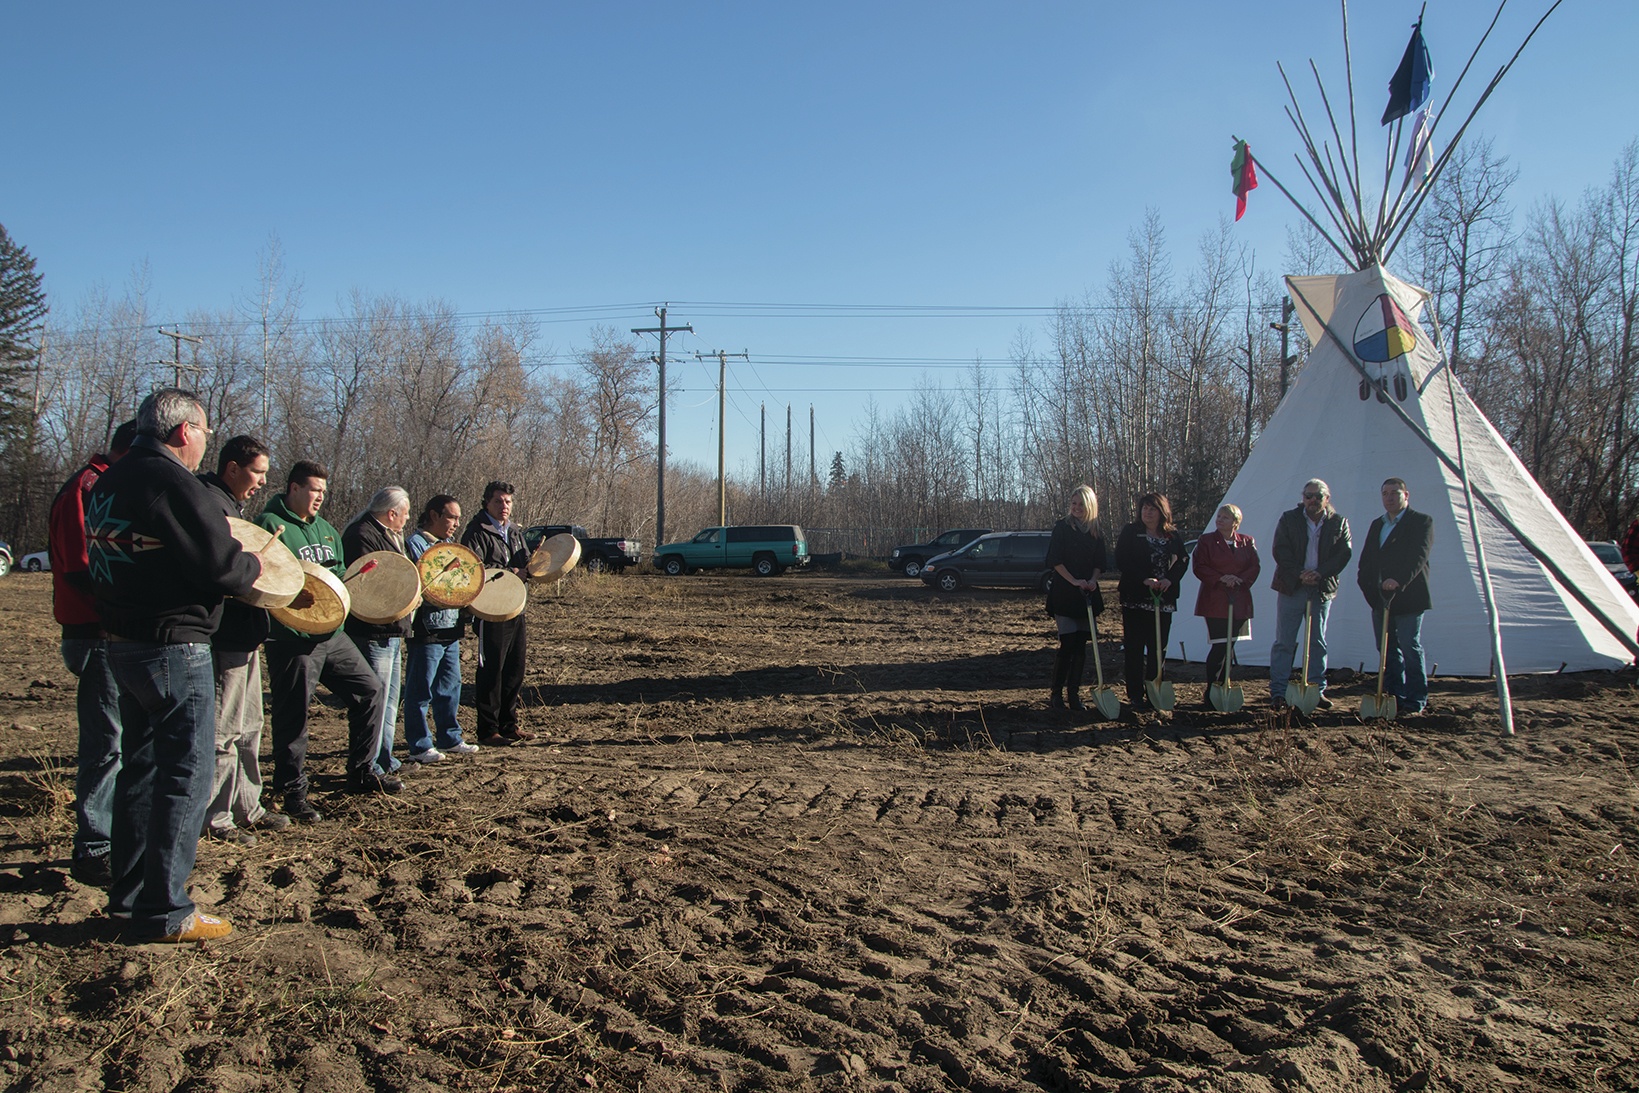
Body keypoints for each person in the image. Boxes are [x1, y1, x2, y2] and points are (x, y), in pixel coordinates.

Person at [87, 388, 261, 942]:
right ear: (184, 430)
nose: (205, 442)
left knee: (140, 768)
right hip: (172, 645)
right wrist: (256, 562)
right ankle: (166, 909)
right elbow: (219, 564)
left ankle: (130, 894)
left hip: (123, 642)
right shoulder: (170, 482)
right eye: (206, 432)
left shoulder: (111, 478)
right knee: (186, 773)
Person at [258, 461, 390, 809]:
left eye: (323, 492)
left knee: (370, 690)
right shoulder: (271, 525)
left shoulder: (327, 530)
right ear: (294, 488)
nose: (320, 498)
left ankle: (362, 771)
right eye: (315, 490)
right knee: (294, 713)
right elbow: (266, 579)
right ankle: (291, 790)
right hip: (291, 637)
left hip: (331, 633)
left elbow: (338, 575)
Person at [49, 418, 136, 888]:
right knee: (107, 744)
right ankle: (93, 847)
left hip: (111, 629)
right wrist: (118, 610)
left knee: (120, 740)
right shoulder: (87, 488)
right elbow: (80, 565)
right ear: (126, 452)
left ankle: (112, 835)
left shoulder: (104, 484)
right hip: (95, 631)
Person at [197, 435, 290, 845]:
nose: (261, 483)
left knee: (250, 726)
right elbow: (222, 570)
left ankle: (247, 806)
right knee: (224, 731)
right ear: (232, 468)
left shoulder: (232, 506)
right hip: (225, 638)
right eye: (257, 473)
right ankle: (217, 817)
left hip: (248, 636)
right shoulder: (209, 505)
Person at [341, 487, 413, 776]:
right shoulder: (362, 535)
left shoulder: (384, 535)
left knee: (390, 700)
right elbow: (372, 584)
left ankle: (385, 759)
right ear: (391, 513)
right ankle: (369, 763)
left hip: (390, 629)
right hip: (373, 630)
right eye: (405, 514)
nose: (407, 520)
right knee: (376, 700)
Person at [404, 495, 479, 760]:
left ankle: (450, 737)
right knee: (420, 689)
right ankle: (420, 744)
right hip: (427, 628)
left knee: (450, 686)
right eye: (451, 517)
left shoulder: (450, 546)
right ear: (434, 515)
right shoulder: (415, 545)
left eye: (458, 518)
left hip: (450, 626)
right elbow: (419, 585)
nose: (456, 523)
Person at [1269, 478, 1352, 709]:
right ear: (1303, 498)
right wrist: (1300, 573)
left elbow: (1343, 553)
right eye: (1309, 496)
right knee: (1284, 642)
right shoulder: (1289, 519)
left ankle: (1316, 689)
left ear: (1327, 498)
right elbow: (1280, 550)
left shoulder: (1339, 522)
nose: (1313, 500)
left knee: (1317, 641)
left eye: (1318, 496)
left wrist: (1320, 573)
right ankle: (1278, 692)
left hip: (1321, 588)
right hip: (1291, 586)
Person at [460, 481, 533, 747]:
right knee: (491, 670)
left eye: (508, 502)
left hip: (516, 606)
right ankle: (488, 730)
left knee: (514, 669)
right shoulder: (476, 531)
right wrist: (511, 572)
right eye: (499, 502)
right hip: (489, 610)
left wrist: (536, 563)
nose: (504, 507)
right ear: (486, 503)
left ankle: (509, 725)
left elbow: (524, 562)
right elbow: (475, 569)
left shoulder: (514, 531)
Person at [1356, 478, 1435, 714]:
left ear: (1406, 495)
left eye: (1395, 493)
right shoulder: (1377, 524)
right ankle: (1393, 694)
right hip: (1380, 597)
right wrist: (1368, 586)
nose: (1389, 498)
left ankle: (1415, 698)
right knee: (1386, 648)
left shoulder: (1421, 522)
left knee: (1410, 646)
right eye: (1385, 493)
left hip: (1409, 596)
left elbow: (1418, 557)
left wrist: (1398, 580)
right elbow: (1367, 559)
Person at [1114, 493, 1190, 712]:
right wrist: (1143, 579)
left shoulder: (1172, 535)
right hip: (1136, 599)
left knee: (1158, 647)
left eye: (1152, 509)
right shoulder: (1131, 532)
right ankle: (1135, 694)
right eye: (1144, 508)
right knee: (1135, 647)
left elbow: (1183, 561)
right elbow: (1122, 559)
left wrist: (1169, 580)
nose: (1147, 512)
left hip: (1162, 600)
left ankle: (1154, 689)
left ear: (1161, 512)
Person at [1042, 485, 1106, 711]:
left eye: (1081, 504)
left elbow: (1100, 562)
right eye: (1074, 503)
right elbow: (1055, 560)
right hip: (1065, 593)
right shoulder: (1062, 528)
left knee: (1081, 646)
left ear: (1090, 506)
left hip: (1087, 593)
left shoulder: (1095, 530)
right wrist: (1074, 581)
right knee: (1067, 642)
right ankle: (1056, 694)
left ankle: (1074, 695)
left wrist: (1092, 580)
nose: (1077, 508)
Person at [1192, 503, 1261, 705]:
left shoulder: (1247, 542)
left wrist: (1239, 579)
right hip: (1215, 599)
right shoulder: (1206, 541)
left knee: (1231, 644)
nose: (1220, 520)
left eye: (1225, 517)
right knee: (1220, 644)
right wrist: (1222, 578)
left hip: (1239, 598)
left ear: (1236, 523)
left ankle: (1224, 685)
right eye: (1219, 516)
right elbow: (1200, 566)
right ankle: (1212, 688)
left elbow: (1254, 566)